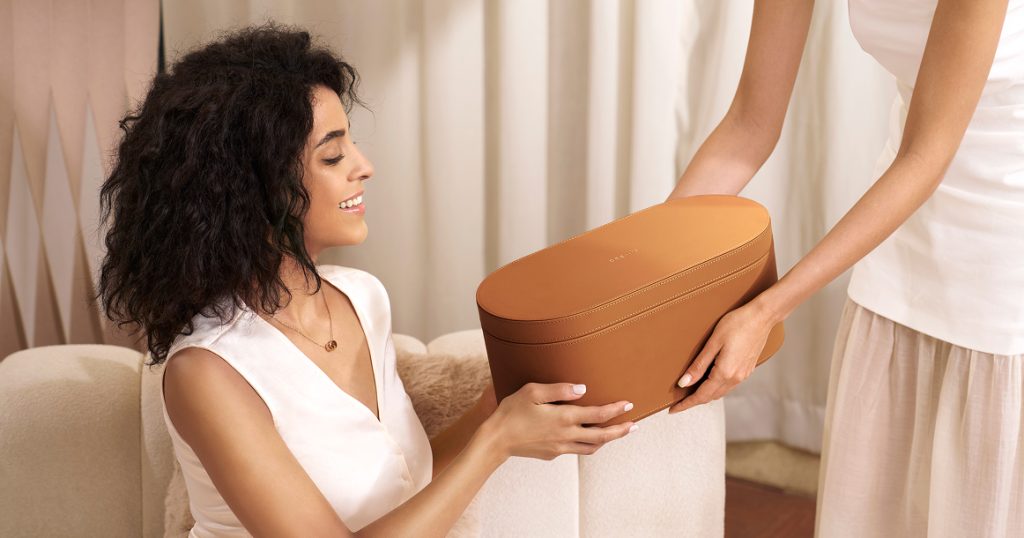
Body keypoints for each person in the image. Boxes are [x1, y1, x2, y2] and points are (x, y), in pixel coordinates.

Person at [96, 24, 637, 537]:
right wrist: (495, 443)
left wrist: (489, 411)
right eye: (333, 155)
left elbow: (400, 487)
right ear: (253, 188)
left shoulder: (360, 297)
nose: (364, 166)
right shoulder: (208, 371)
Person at [664, 0, 1022, 535]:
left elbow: (926, 157)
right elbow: (748, 126)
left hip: (1004, 245)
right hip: (899, 228)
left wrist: (765, 311)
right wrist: (646, 272)